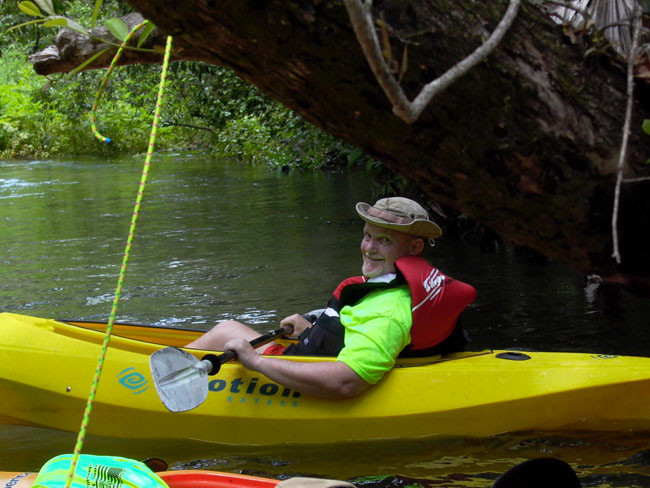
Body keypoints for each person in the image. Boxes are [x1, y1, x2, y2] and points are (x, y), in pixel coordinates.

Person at [186, 197, 475, 399]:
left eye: (383, 240)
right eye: (367, 236)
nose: (369, 248)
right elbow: (360, 333)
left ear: (414, 247)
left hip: (307, 376)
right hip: (315, 355)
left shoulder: (388, 310)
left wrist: (256, 362)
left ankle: (151, 382)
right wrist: (312, 331)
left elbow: (345, 382)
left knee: (225, 333)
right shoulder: (394, 288)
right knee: (227, 329)